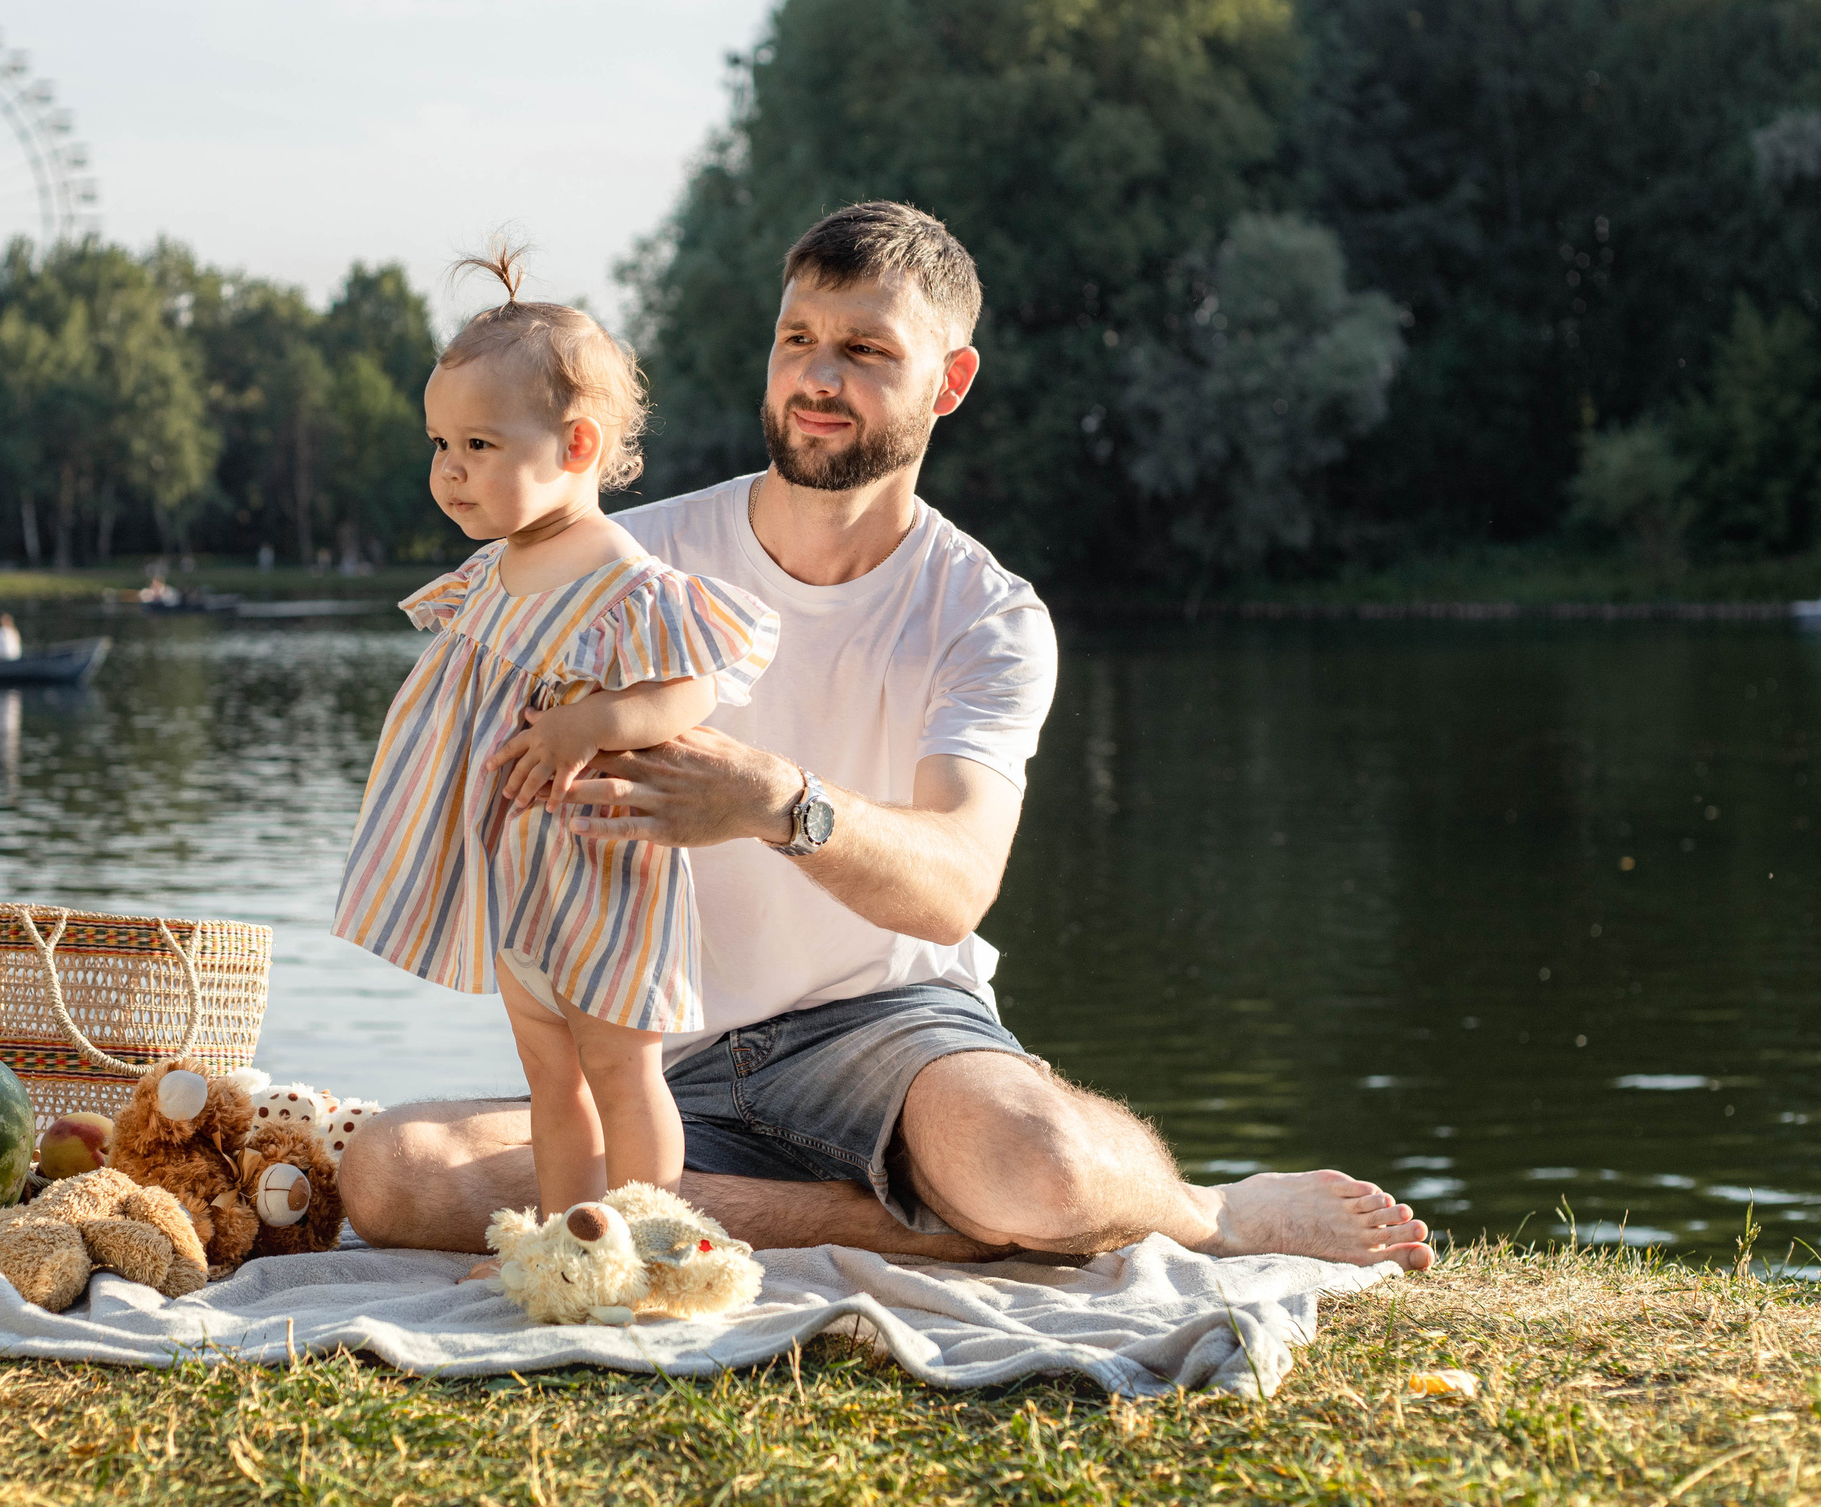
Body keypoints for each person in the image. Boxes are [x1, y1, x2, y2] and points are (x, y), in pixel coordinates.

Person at [343, 202, 1434, 1273]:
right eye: (797, 340)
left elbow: (956, 884)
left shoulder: (987, 614)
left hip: (888, 1035)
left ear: (949, 382)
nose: (817, 378)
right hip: (657, 1045)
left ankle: (1206, 1209)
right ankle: (927, 1230)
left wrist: (779, 803)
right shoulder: (622, 559)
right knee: (395, 1173)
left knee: (1044, 1166)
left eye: (864, 351)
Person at [331, 245, 778, 1221]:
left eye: (479, 445)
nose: (449, 471)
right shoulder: (493, 573)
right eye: (439, 444)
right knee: (549, 1078)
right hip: (515, 869)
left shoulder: (621, 577)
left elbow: (694, 688)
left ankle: (650, 1234)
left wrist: (597, 720)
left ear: (576, 447)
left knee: (622, 1070)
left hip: (603, 872)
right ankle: (569, 1238)